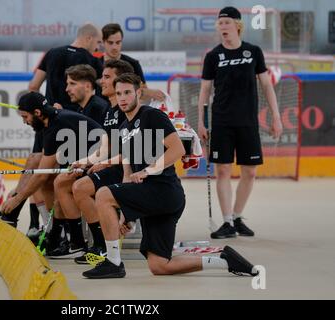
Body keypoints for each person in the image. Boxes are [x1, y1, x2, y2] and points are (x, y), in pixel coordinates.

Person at [81, 73, 259, 279]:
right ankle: (222, 260)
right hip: (151, 198)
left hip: (163, 190)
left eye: (128, 92)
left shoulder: (151, 116)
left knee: (102, 193)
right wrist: (125, 214)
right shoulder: (123, 129)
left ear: (138, 93)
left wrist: (148, 170)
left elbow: (176, 150)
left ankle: (112, 262)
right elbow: (128, 176)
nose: (122, 98)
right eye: (119, 93)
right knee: (159, 265)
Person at [0, 92, 105, 257]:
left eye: (25, 117)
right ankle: (56, 234)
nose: (24, 122)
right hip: (85, 160)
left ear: (37, 113)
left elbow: (40, 175)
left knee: (59, 183)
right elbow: (43, 169)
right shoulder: (53, 121)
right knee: (42, 170)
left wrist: (16, 199)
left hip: (101, 162)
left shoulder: (55, 125)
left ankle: (76, 244)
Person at [197, 7, 283, 239]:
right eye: (220, 23)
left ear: (237, 25)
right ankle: (226, 223)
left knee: (250, 172)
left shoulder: (253, 52)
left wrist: (276, 116)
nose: (222, 26)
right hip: (222, 121)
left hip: (248, 122)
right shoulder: (213, 56)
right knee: (223, 170)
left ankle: (237, 217)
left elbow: (266, 85)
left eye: (226, 22)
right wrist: (201, 123)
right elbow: (205, 91)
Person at [53, 59, 135, 262]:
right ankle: (88, 244)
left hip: (126, 169)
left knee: (80, 187)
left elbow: (131, 151)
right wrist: (85, 161)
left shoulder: (127, 111)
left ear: (121, 81)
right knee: (69, 182)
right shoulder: (109, 110)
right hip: (112, 165)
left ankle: (101, 245)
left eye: (107, 77)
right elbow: (105, 147)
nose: (101, 81)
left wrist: (102, 163)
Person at [28, 23, 103, 110]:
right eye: (98, 42)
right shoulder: (92, 61)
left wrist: (45, 109)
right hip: (79, 119)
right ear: (89, 38)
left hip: (53, 118)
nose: (97, 48)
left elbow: (33, 87)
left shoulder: (51, 53)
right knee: (84, 124)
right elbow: (105, 87)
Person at [99, 23, 165, 102]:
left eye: (118, 42)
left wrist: (150, 93)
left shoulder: (133, 64)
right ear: (103, 42)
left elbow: (143, 92)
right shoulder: (95, 63)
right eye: (110, 43)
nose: (114, 47)